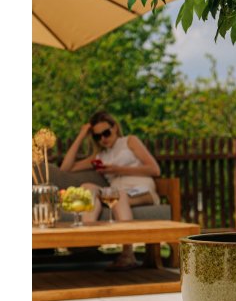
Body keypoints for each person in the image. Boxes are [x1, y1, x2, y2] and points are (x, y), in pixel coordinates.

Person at [59, 111, 161, 270]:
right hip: (114, 191)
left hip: (141, 188)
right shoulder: (100, 156)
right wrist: (81, 135)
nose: (103, 139)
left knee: (119, 195)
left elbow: (155, 170)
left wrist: (117, 169)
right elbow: (65, 168)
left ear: (115, 128)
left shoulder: (130, 141)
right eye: (97, 136)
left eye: (106, 133)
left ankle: (128, 254)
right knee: (88, 187)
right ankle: (88, 238)